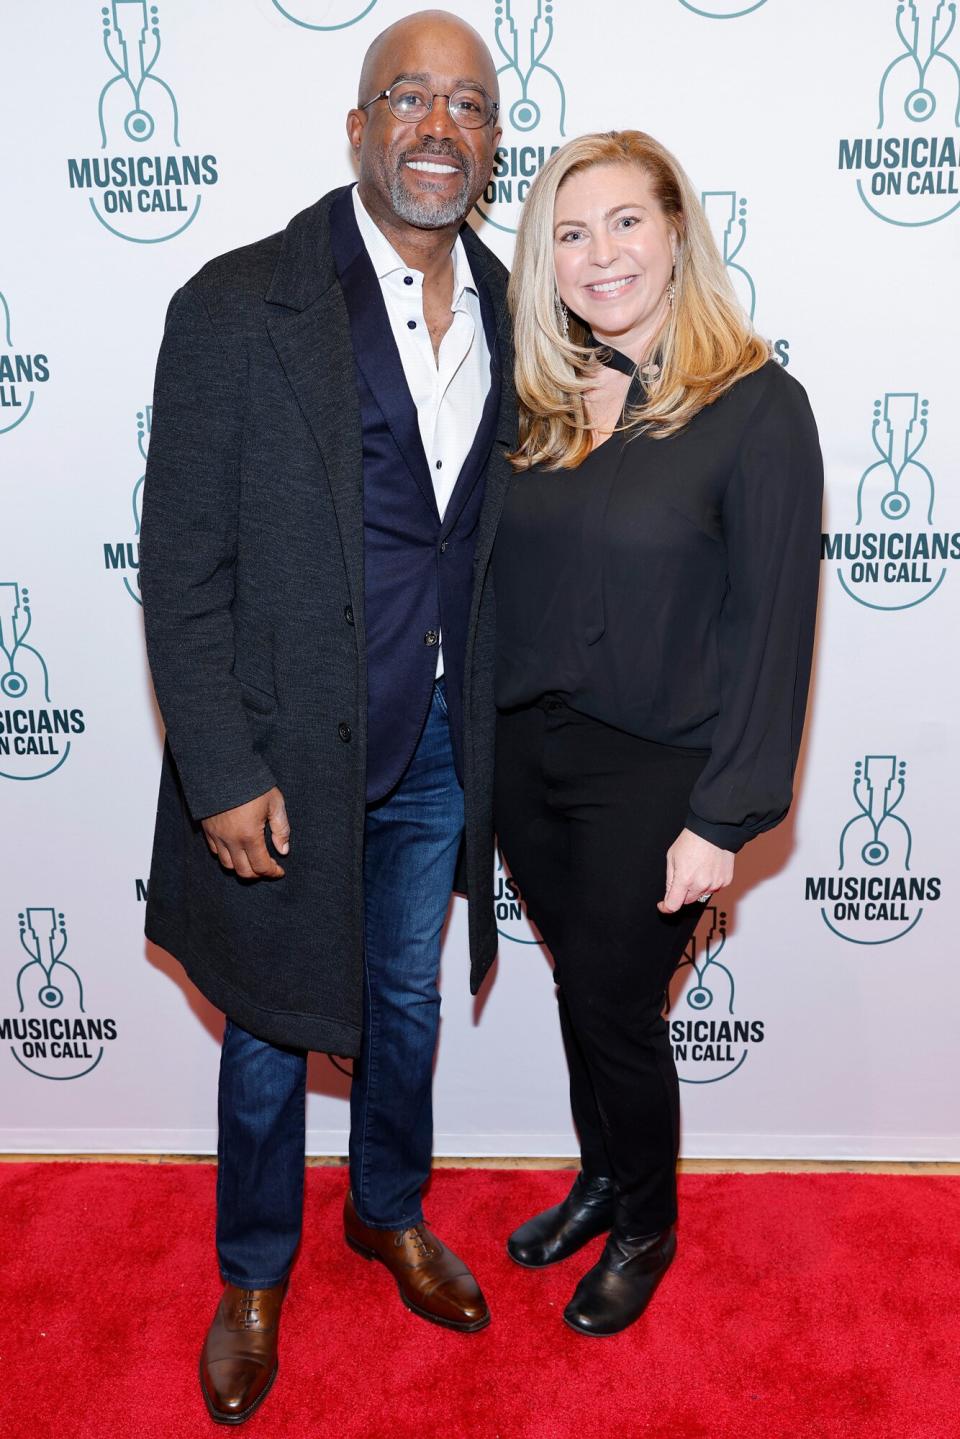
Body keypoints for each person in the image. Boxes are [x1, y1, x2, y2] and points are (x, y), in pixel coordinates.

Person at [139, 11, 513, 1424]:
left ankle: (388, 1205)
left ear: (491, 142)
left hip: (437, 746)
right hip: (283, 754)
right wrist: (218, 767)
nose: (436, 124)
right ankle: (251, 1269)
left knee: (406, 998)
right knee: (268, 1019)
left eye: (467, 104)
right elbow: (180, 563)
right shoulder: (236, 304)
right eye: (405, 97)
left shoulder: (514, 305)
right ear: (358, 131)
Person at [492, 131, 823, 1336]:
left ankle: (645, 1222)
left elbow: (776, 626)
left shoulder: (758, 407)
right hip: (532, 759)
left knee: (617, 1008)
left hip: (662, 769)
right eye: (570, 234)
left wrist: (723, 815)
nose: (600, 255)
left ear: (679, 231)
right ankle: (599, 1177)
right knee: (588, 993)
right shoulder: (537, 404)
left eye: (626, 222)